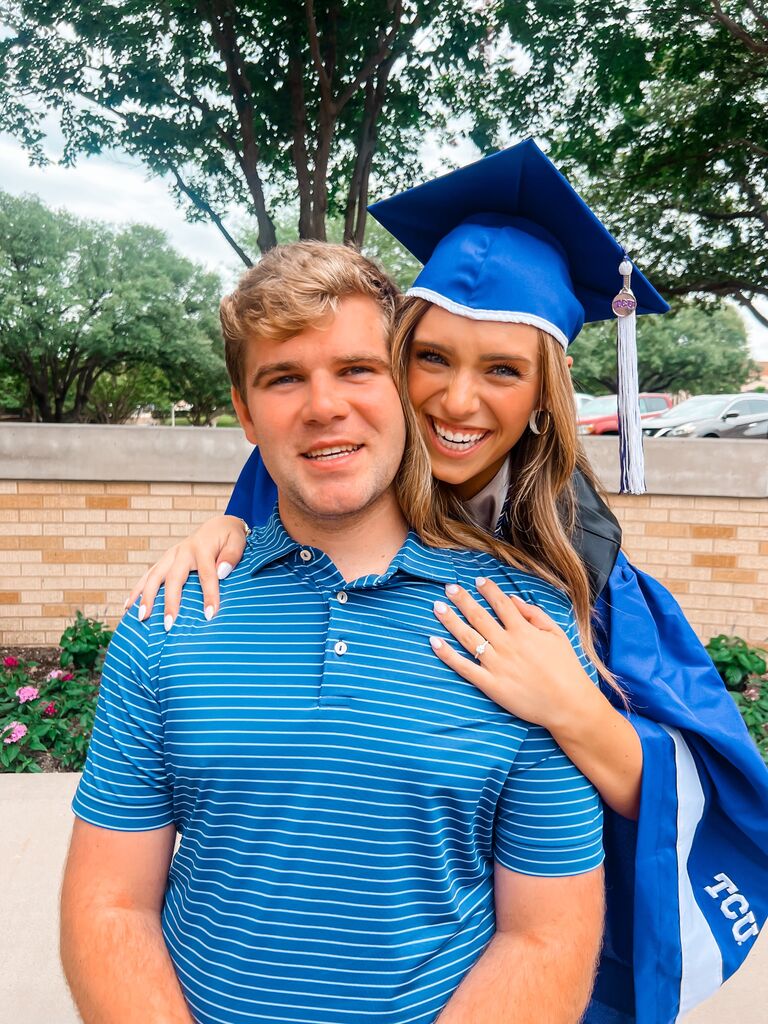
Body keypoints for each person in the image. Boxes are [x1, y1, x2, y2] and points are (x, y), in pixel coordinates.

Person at [127, 139, 768, 1024]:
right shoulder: (328, 475)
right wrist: (222, 526)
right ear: (397, 360)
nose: (457, 402)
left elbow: (690, 793)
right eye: (431, 359)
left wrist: (574, 709)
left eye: (503, 369)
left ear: (545, 393)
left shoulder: (580, 564)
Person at [61, 241, 607, 1024]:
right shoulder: (170, 618)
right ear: (246, 412)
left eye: (356, 369)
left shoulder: (524, 627)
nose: (324, 407)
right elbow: (110, 905)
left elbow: (547, 936)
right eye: (283, 378)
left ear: (402, 390)